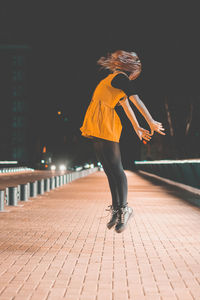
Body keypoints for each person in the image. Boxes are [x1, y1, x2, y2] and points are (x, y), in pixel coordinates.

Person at [80, 50, 165, 233]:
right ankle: (116, 209)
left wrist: (149, 121)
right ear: (132, 70)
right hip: (97, 121)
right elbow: (127, 106)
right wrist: (137, 128)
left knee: (116, 169)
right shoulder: (117, 79)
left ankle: (125, 209)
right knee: (109, 170)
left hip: (106, 123)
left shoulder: (121, 80)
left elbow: (136, 101)